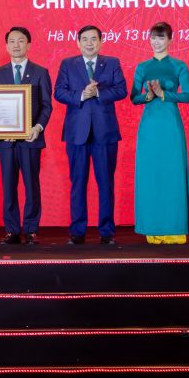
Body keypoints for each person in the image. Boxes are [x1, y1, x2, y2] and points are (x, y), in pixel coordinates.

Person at [54, 25, 127, 245]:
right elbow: (59, 92)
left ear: (101, 42)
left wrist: (99, 92)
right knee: (78, 183)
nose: (89, 43)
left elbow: (122, 90)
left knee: (106, 183)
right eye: (84, 39)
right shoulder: (68, 64)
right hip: (77, 133)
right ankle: (77, 231)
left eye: (93, 39)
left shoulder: (112, 63)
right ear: (78, 42)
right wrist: (82, 95)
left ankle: (107, 232)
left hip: (105, 133)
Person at [0, 27, 53, 245]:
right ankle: (12, 230)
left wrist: (38, 127)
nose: (16, 45)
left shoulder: (40, 72)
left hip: (30, 139)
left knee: (31, 185)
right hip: (6, 142)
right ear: (6, 46)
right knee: (8, 185)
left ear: (29, 45)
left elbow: (46, 106)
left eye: (21, 41)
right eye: (12, 41)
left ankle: (31, 229)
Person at [131, 22, 189, 244]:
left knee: (172, 174)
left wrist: (163, 94)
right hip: (149, 126)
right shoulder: (142, 67)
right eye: (153, 38)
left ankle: (175, 229)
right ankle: (153, 229)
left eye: (161, 38)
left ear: (170, 40)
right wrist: (148, 96)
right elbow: (134, 97)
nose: (156, 42)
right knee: (151, 175)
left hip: (170, 125)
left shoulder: (179, 66)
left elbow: (187, 95)